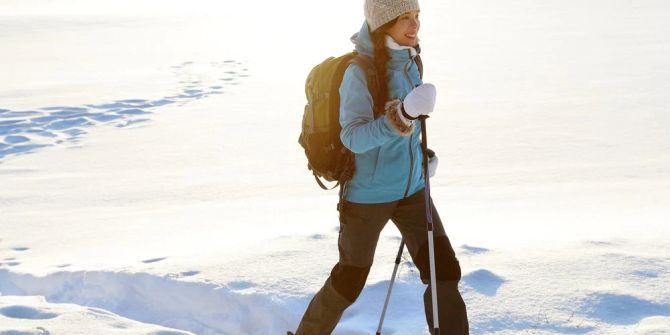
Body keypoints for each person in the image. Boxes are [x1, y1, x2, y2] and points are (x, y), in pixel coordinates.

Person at [292, 0, 469, 334]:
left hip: (412, 190)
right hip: (367, 197)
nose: (415, 25)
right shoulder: (359, 73)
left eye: (417, 16)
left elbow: (408, 125)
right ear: (383, 23)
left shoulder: (411, 61)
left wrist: (418, 157)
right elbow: (354, 138)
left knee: (443, 270)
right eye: (405, 17)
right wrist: (401, 115)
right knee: (349, 279)